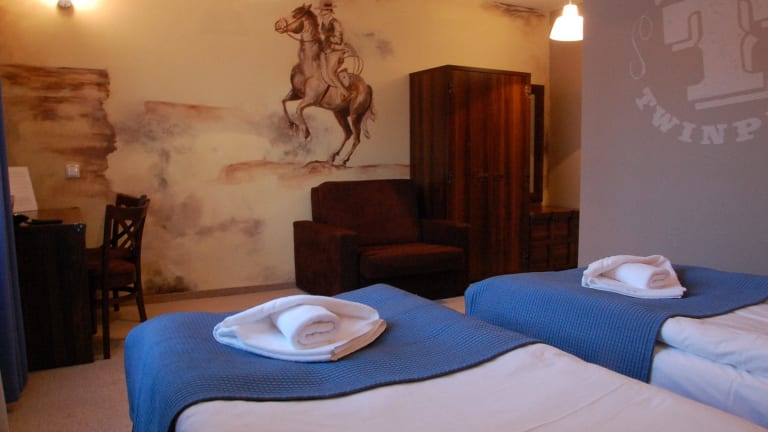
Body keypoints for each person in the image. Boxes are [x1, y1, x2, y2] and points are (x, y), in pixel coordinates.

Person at [318, 1, 350, 99]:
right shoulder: (323, 23)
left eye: (323, 11)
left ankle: (345, 93)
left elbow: (338, 39)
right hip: (327, 49)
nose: (321, 13)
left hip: (337, 50)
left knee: (330, 72)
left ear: (329, 11)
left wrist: (327, 39)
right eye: (321, 11)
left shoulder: (335, 23)